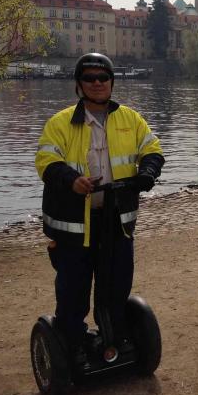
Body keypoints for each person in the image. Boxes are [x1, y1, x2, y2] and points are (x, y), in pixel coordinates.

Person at [35, 53, 164, 366]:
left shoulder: (130, 119)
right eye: (89, 78)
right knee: (73, 291)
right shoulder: (60, 122)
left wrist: (147, 172)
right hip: (74, 225)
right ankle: (73, 343)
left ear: (111, 82)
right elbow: (46, 162)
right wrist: (71, 180)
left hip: (116, 221)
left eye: (102, 78)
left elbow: (153, 149)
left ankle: (114, 334)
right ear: (79, 84)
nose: (97, 83)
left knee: (116, 285)